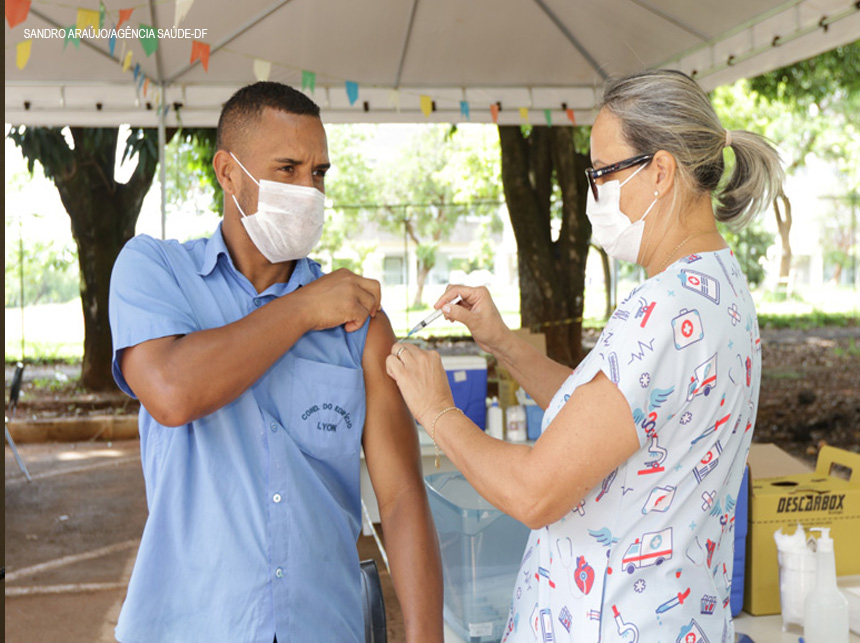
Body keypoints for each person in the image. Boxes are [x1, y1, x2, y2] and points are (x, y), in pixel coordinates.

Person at [386, 69, 783, 643]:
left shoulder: (663, 310)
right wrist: (501, 342)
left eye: (601, 172)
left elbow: (534, 492)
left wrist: (437, 411)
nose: (592, 191)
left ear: (661, 171)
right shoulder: (718, 287)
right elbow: (607, 419)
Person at [108, 81, 443, 643]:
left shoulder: (360, 322)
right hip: (185, 626)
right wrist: (304, 309)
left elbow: (402, 496)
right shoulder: (155, 270)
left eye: (319, 173)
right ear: (227, 172)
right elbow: (171, 392)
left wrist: (426, 637)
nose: (307, 190)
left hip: (322, 626)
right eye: (287, 168)